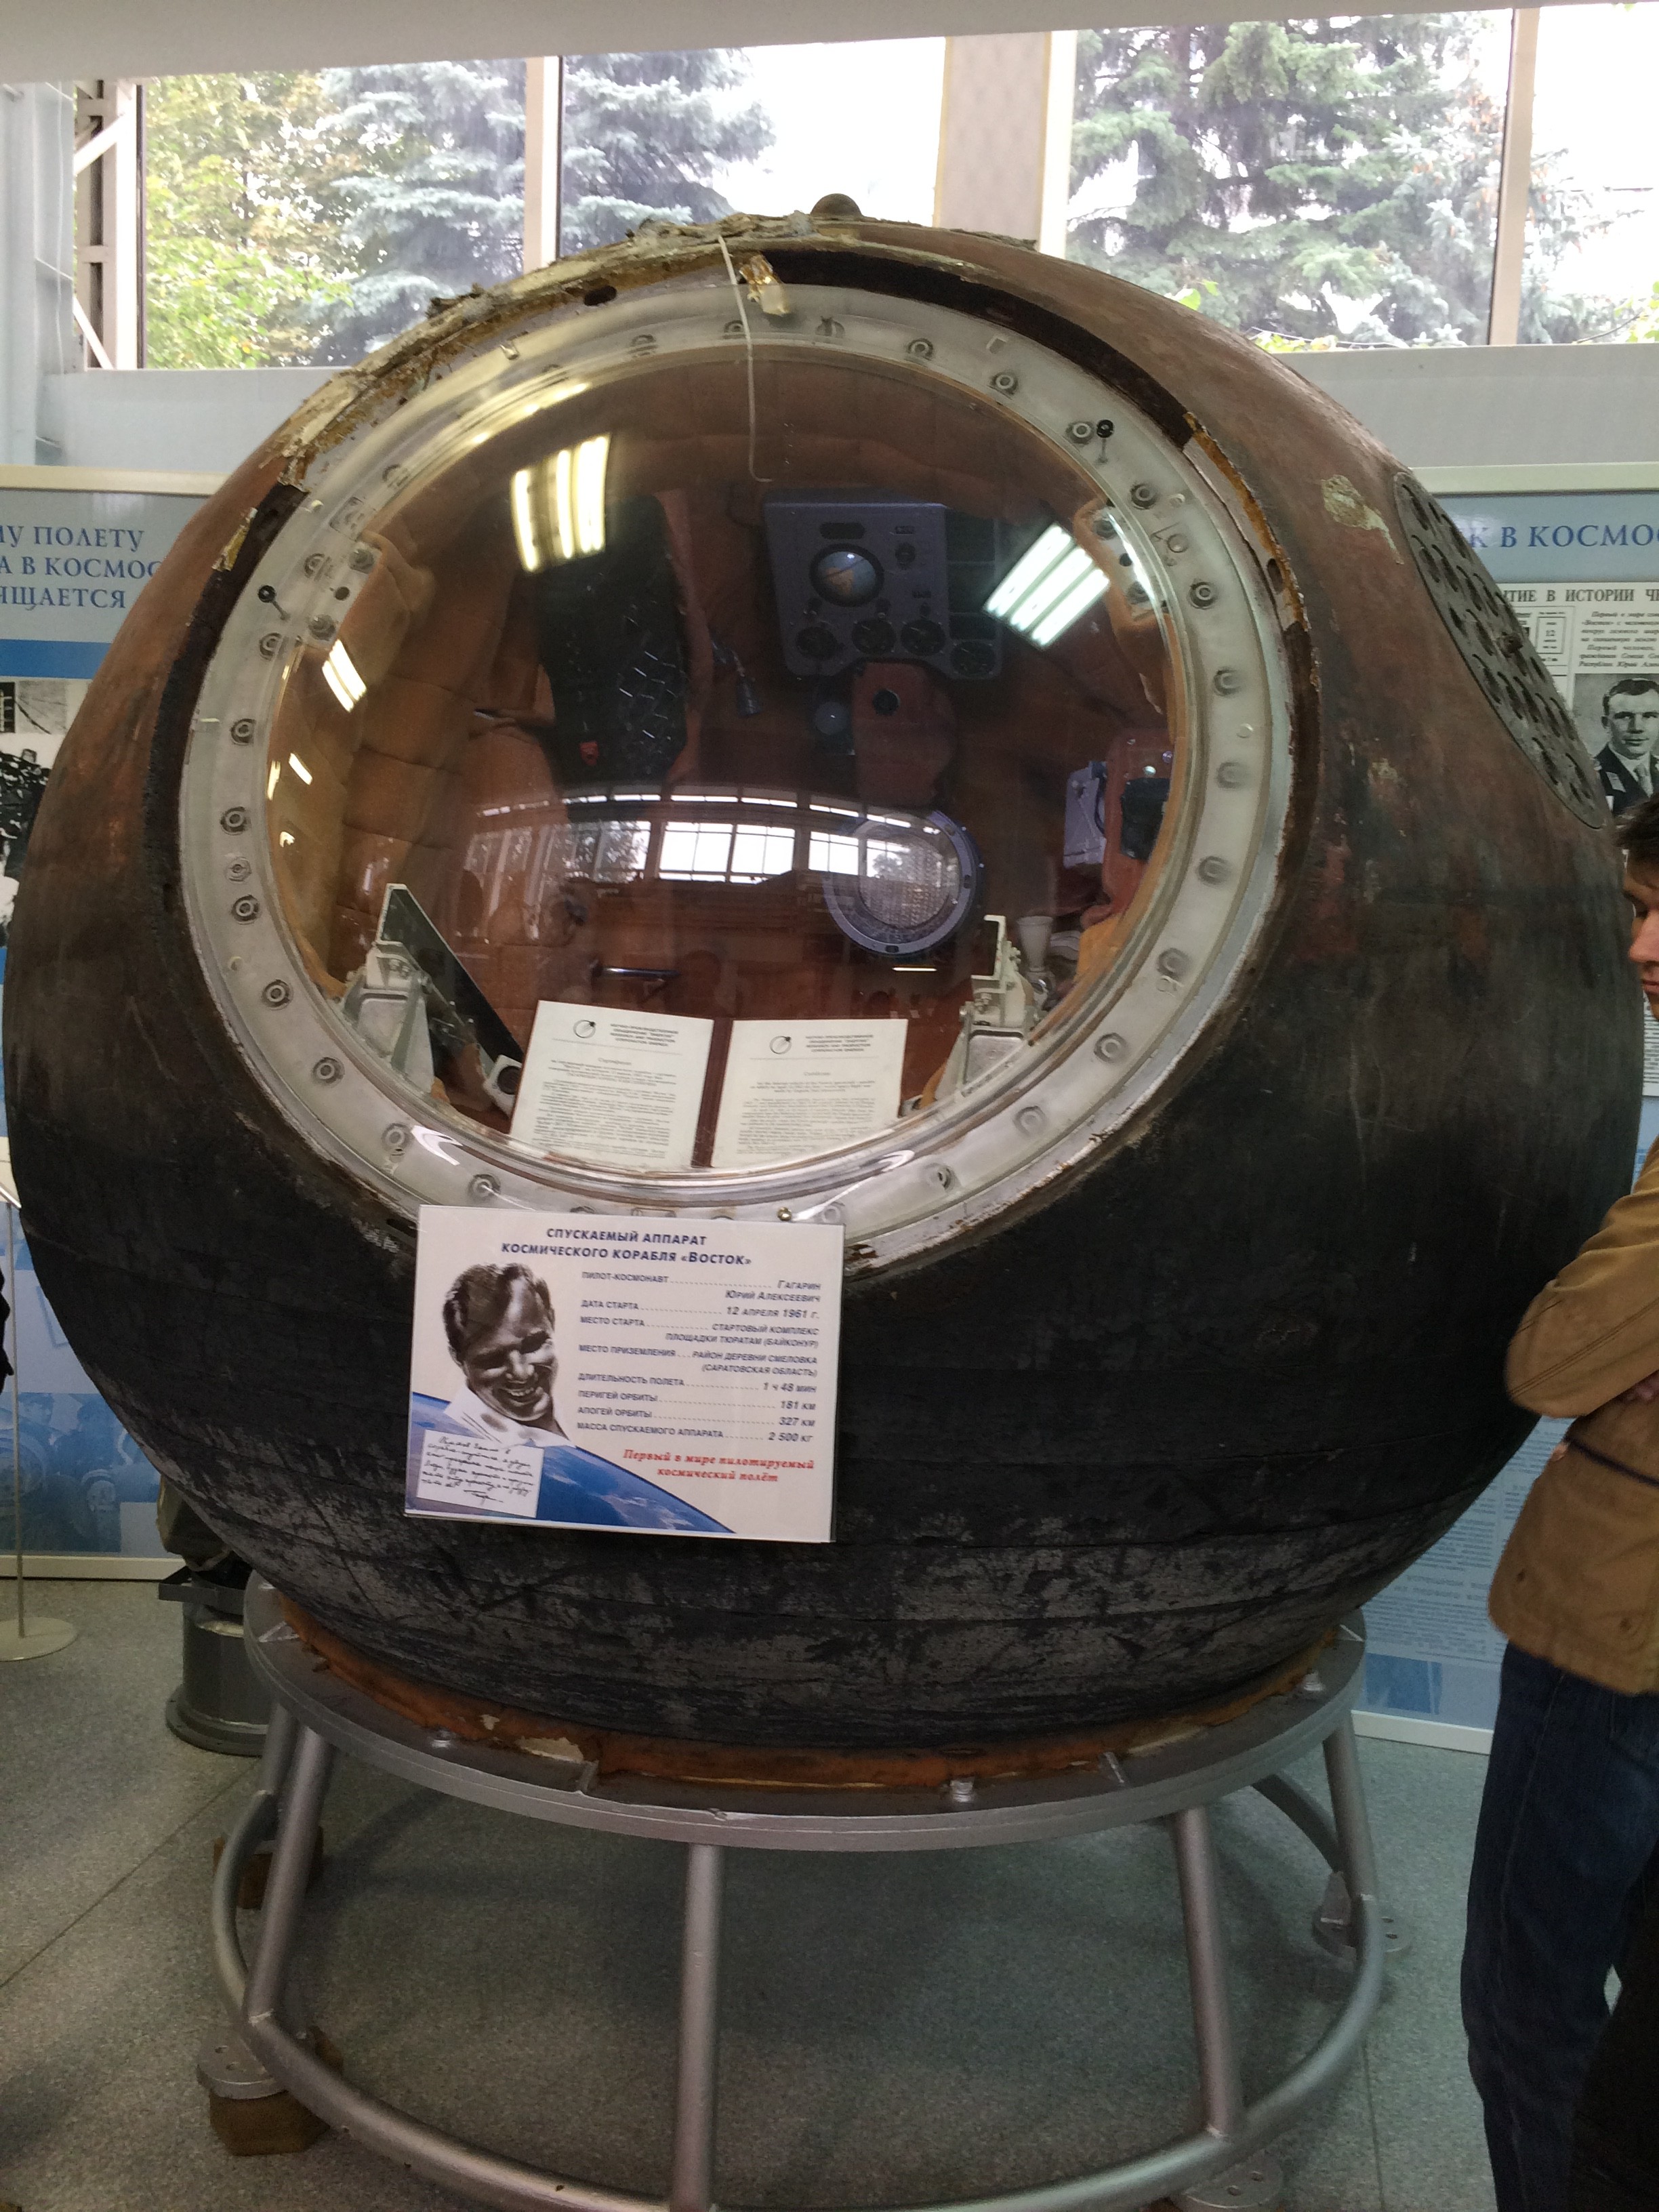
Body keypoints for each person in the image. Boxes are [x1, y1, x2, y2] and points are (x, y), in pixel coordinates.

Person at [1463, 787, 1659, 2211]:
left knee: (1527, 1998)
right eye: (1639, 911)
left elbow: (1550, 1358)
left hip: (1615, 1637)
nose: (1639, 947)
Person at [407, 1261, 730, 1534]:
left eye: (534, 1345)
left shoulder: (587, 1409)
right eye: (492, 1359)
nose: (521, 1373)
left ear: (552, 1321)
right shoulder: (453, 1452)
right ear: (458, 1359)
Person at [1593, 677, 1659, 815]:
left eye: (1649, 716)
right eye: (1625, 716)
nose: (1637, 728)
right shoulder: (1591, 776)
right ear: (1606, 723)